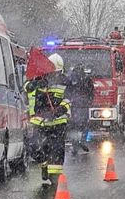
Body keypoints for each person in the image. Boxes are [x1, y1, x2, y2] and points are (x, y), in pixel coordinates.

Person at [24, 53, 71, 183]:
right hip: (39, 122)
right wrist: (37, 83)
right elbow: (27, 87)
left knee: (57, 150)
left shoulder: (65, 81)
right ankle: (44, 165)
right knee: (35, 148)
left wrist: (61, 109)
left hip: (58, 122)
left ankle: (55, 180)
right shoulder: (38, 79)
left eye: (57, 73)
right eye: (52, 73)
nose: (54, 75)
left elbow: (69, 98)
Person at [66, 64, 94, 154]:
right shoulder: (87, 79)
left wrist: (70, 101)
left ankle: (74, 146)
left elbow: (67, 91)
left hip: (74, 106)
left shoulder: (71, 79)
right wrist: (89, 101)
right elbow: (91, 91)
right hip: (84, 106)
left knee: (74, 126)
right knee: (85, 125)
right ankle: (82, 140)